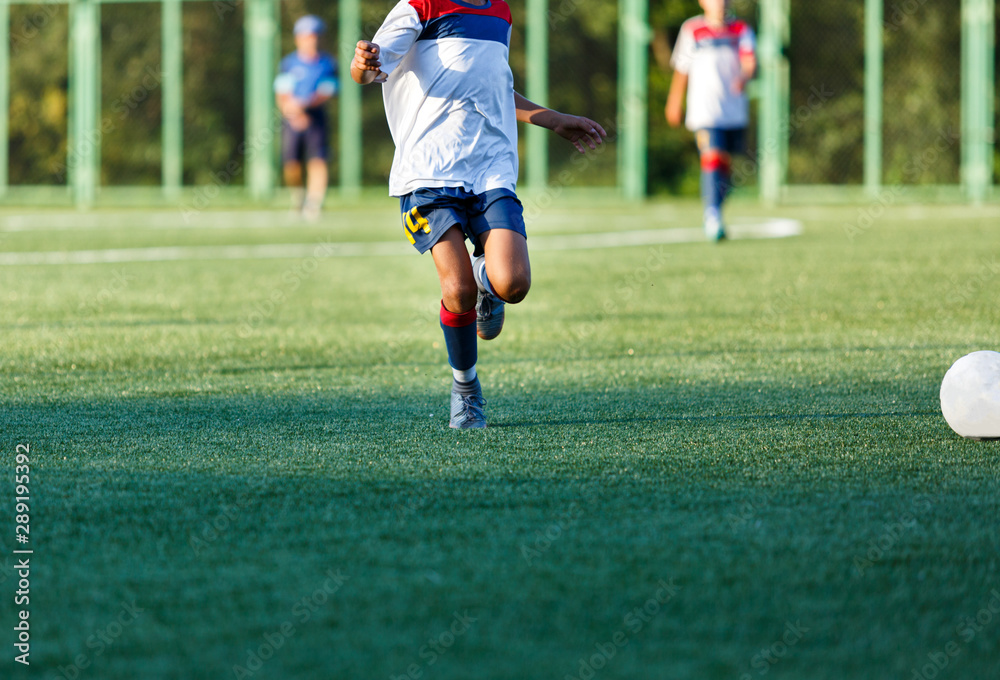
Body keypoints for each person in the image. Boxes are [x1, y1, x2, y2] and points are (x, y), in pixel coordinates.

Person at [351, 0, 607, 429]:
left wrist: (552, 119)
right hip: (427, 173)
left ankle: (486, 281)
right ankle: (466, 389)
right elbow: (370, 71)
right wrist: (362, 64)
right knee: (458, 290)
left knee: (514, 284)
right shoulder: (419, 6)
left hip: (490, 169)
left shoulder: (500, 12)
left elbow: (494, 89)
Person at [666, 0, 757, 241]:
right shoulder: (692, 29)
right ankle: (712, 215)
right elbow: (682, 69)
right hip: (704, 111)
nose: (720, 3)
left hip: (733, 111)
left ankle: (716, 210)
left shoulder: (741, 30)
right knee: (712, 156)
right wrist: (674, 101)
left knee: (725, 164)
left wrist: (744, 76)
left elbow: (749, 61)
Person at [274, 15, 338, 221]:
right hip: (292, 119)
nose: (311, 40)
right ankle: (298, 198)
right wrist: (293, 113)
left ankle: (314, 203)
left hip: (316, 118)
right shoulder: (288, 63)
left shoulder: (328, 64)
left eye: (314, 36)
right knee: (291, 163)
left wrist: (304, 105)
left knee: (318, 160)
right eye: (306, 36)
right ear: (298, 38)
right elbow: (282, 94)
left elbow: (327, 91)